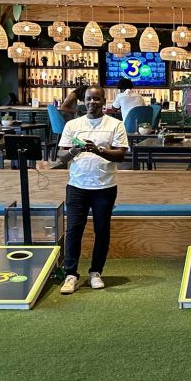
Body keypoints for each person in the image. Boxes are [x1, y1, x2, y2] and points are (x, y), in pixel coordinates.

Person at [54, 86, 130, 295]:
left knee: (102, 231)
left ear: (104, 101)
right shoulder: (73, 125)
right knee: (73, 231)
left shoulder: (116, 125)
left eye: (97, 99)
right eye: (88, 99)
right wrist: (74, 150)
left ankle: (96, 272)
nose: (92, 102)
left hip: (104, 187)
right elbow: (61, 157)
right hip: (77, 186)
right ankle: (71, 275)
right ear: (83, 101)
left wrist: (99, 150)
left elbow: (121, 155)